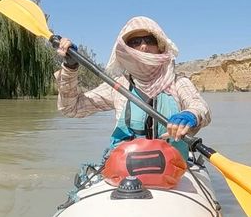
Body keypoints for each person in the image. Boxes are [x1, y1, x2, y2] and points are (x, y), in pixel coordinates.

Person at [55, 16, 211, 161]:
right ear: (126, 49)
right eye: (135, 42)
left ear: (159, 46)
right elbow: (71, 108)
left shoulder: (177, 82)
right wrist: (70, 67)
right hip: (127, 166)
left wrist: (191, 114)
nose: (143, 46)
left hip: (173, 165)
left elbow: (200, 107)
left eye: (149, 40)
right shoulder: (117, 86)